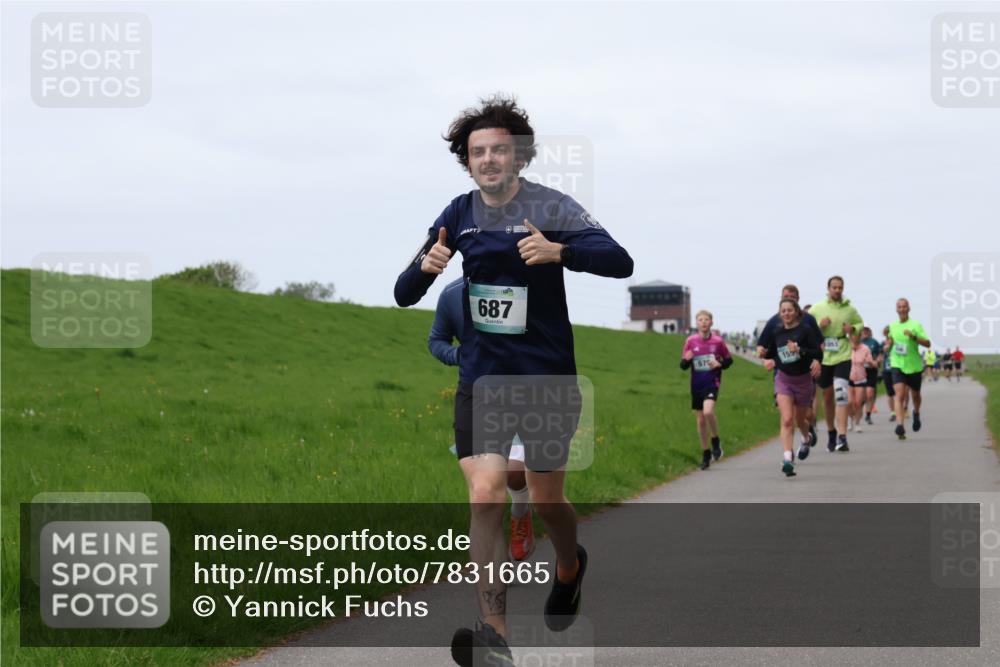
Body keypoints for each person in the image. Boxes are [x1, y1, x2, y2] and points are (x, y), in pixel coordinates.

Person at [394, 95, 633, 665]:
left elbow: (619, 260)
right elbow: (403, 293)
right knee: (485, 494)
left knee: (548, 501)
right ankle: (494, 632)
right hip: (483, 380)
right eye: (478, 151)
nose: (489, 159)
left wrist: (560, 251)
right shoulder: (458, 212)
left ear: (519, 155)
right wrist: (424, 269)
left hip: (547, 378)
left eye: (500, 149)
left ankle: (570, 567)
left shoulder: (552, 206)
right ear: (467, 160)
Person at [429, 276, 535, 562]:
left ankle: (521, 509)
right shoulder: (452, 293)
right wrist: (459, 355)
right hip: (479, 396)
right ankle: (496, 570)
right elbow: (436, 339)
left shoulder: (527, 286)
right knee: (485, 489)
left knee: (514, 472)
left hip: (527, 394)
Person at [761, 297, 822, 476]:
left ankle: (806, 438)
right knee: (787, 419)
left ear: (796, 312)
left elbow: (817, 352)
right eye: (783, 311)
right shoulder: (777, 332)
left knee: (800, 420)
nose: (786, 313)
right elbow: (771, 353)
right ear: (780, 314)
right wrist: (766, 358)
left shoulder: (805, 330)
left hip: (803, 381)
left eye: (789, 310)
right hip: (784, 380)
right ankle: (788, 458)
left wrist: (800, 350)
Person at [808, 276, 864, 452]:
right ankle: (831, 431)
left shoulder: (849, 309)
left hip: (842, 353)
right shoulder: (818, 308)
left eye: (840, 287)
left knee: (841, 393)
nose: (837, 290)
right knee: (827, 396)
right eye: (834, 287)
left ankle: (842, 436)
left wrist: (852, 329)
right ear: (828, 288)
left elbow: (859, 323)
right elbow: (805, 327)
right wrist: (819, 325)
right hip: (824, 356)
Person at [681, 310, 733, 470]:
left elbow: (729, 360)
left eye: (706, 319)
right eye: (700, 320)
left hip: (712, 382)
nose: (703, 322)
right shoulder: (690, 341)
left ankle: (715, 440)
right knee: (701, 420)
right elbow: (683, 366)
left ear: (711, 322)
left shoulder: (718, 342)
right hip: (696, 384)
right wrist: (686, 359)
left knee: (708, 412)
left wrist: (720, 364)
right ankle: (705, 453)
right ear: (696, 323)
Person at [887, 298, 931, 440]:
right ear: (896, 309)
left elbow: (927, 343)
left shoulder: (915, 325)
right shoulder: (892, 326)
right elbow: (891, 341)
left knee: (915, 395)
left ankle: (916, 413)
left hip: (914, 366)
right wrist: (888, 345)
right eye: (899, 307)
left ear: (909, 308)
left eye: (904, 306)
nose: (902, 309)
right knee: (899, 395)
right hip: (897, 363)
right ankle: (900, 425)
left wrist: (914, 336)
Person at [848, 333, 875, 433]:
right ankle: (850, 419)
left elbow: (871, 363)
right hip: (848, 377)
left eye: (857, 335)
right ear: (850, 337)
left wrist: (871, 362)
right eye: (853, 335)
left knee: (858, 402)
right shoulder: (846, 347)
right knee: (849, 402)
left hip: (861, 378)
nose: (855, 337)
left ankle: (857, 423)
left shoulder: (865, 348)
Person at [859, 326, 882, 425]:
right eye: (864, 330)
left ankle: (868, 415)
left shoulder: (874, 342)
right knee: (861, 394)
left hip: (872, 369)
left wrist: (878, 361)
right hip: (859, 370)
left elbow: (880, 354)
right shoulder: (857, 342)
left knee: (870, 392)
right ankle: (858, 411)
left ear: (869, 331)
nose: (865, 331)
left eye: (867, 330)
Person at [881, 326, 897, 421]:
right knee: (890, 393)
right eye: (886, 333)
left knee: (898, 391)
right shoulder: (883, 343)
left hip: (897, 369)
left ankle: (900, 409)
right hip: (886, 370)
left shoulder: (897, 342)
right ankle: (893, 412)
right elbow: (883, 350)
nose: (888, 334)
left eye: (889, 332)